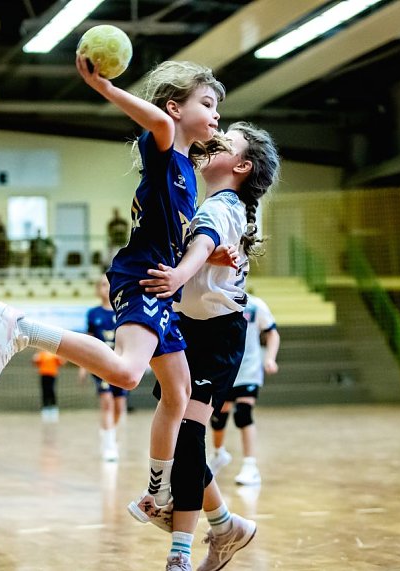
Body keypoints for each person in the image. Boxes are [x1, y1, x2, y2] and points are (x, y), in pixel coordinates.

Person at [0, 56, 229, 537]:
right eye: (206, 102)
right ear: (175, 108)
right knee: (127, 372)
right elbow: (158, 122)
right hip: (143, 277)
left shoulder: (186, 172)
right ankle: (22, 328)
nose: (216, 113)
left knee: (177, 392)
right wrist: (107, 88)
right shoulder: (164, 146)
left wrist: (208, 256)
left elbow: (176, 234)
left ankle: (157, 492)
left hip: (161, 284)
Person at [137, 121, 280, 571]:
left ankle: (179, 553)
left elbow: (202, 244)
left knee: (188, 433)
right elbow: (204, 247)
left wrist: (180, 273)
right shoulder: (212, 203)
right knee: (181, 434)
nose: (216, 139)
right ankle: (223, 526)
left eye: (228, 141)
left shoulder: (224, 204)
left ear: (241, 166)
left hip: (217, 333)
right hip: (189, 327)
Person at [208, 294, 280, 486]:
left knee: (243, 413)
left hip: (249, 369)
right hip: (224, 369)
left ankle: (250, 466)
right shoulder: (216, 299)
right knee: (218, 416)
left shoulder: (255, 305)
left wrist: (270, 358)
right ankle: (219, 454)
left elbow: (272, 332)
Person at [78, 274, 128, 461]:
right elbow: (89, 340)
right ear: (97, 289)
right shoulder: (93, 313)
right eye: (102, 285)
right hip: (100, 365)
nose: (106, 288)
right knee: (107, 402)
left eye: (108, 285)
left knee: (119, 407)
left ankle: (109, 433)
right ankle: (109, 446)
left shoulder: (124, 310)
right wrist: (83, 367)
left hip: (121, 364)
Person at [32, 350, 64, 422]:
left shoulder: (53, 354)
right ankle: (45, 410)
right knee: (44, 392)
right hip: (43, 375)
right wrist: (35, 358)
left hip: (52, 375)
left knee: (51, 391)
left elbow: (61, 362)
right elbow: (35, 362)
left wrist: (59, 357)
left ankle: (53, 410)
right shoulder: (41, 354)